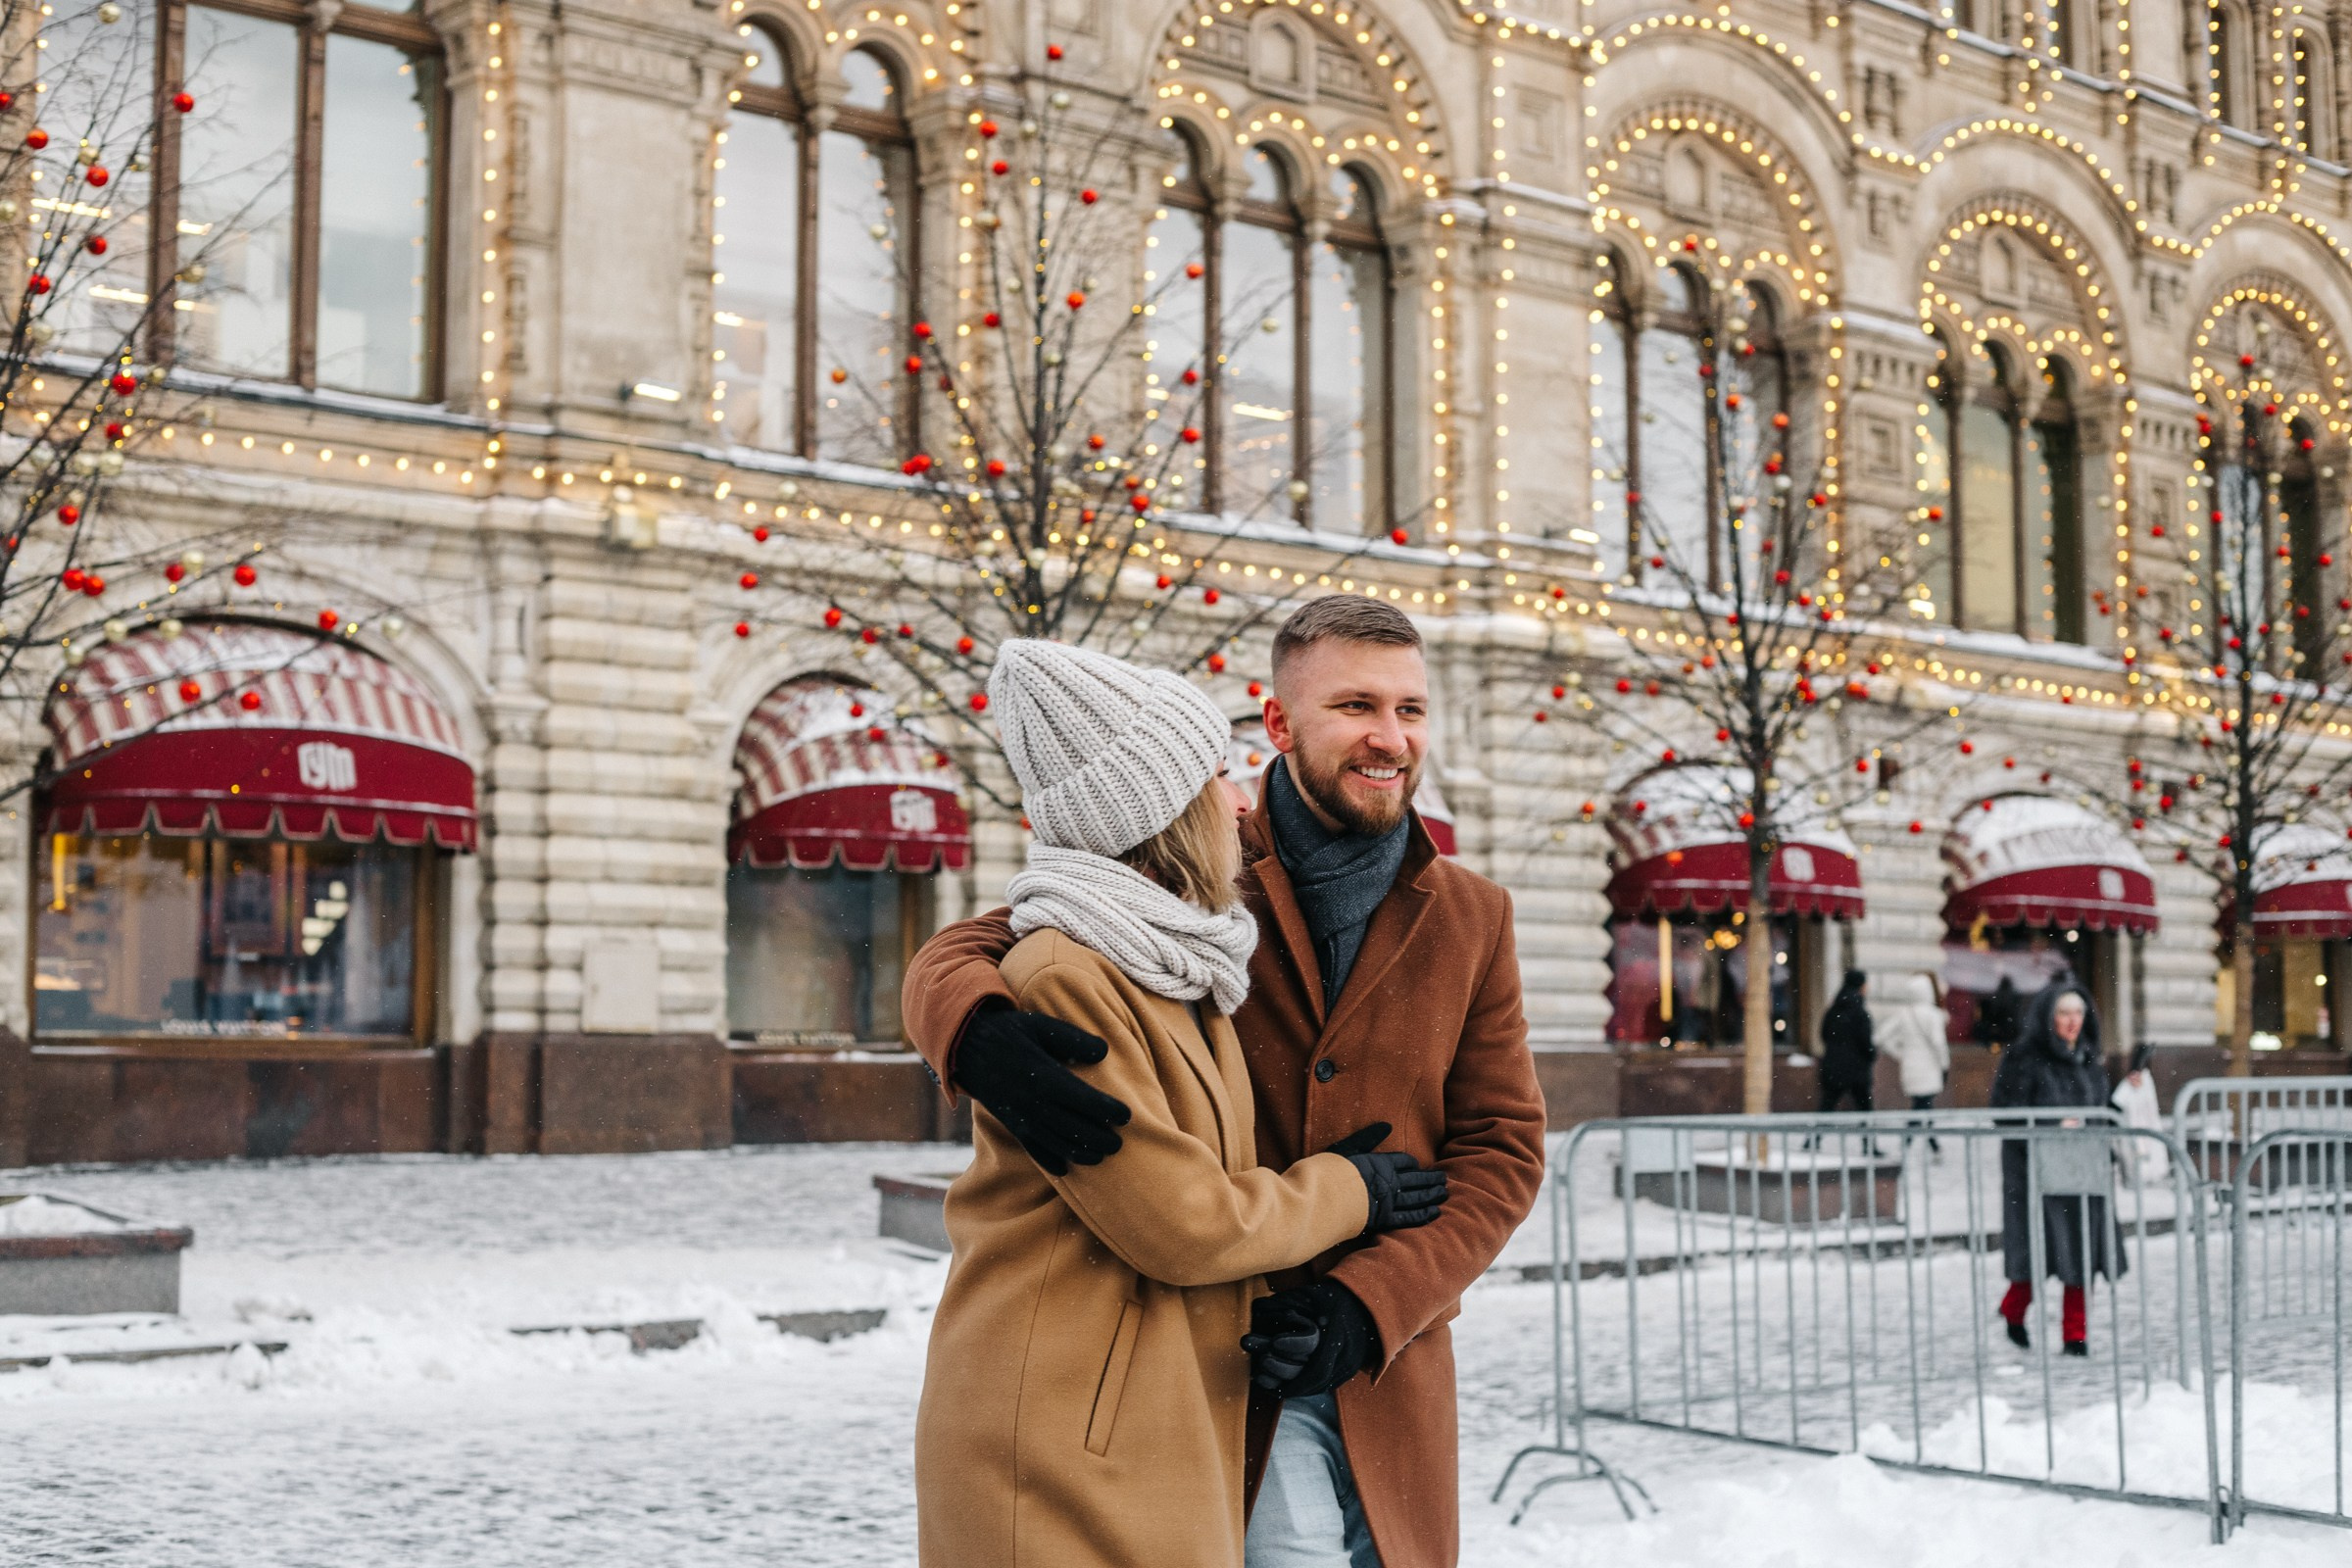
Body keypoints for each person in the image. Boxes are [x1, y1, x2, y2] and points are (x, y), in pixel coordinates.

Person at [904, 597, 1547, 1568]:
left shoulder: (1473, 914)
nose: (1389, 736)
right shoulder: (1198, 862)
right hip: (1219, 1356)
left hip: (1386, 1362)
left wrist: (1371, 1303)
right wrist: (969, 1021)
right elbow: (1025, 924)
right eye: (1357, 706)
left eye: (1411, 710)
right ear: (1278, 727)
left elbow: (1500, 1152)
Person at [1988, 980, 2123, 1356]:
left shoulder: (2089, 1059)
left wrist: (2126, 1093)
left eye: (2078, 1013)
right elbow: (2004, 1113)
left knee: (2081, 1251)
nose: (2072, 1021)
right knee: (2038, 1252)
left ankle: (2075, 1336)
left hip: (2082, 1172)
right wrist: (2049, 1127)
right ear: (2048, 1017)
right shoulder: (2024, 1058)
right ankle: (2013, 1311)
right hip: (2036, 1174)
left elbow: (2104, 1110)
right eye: (2064, 1013)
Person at [1876, 971, 1952, 1153]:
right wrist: (1944, 1064)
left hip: (1909, 1068)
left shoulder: (1904, 1014)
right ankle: (1913, 1141)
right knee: (1922, 1106)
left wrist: (1900, 1053)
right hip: (1929, 1068)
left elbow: (1880, 1037)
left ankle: (1928, 1144)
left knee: (1922, 1105)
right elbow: (1939, 1044)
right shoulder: (1933, 1015)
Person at [1816, 969, 1876, 1115]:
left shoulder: (1833, 1011)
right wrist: (1872, 1054)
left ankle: (1813, 1138)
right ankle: (1868, 1138)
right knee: (1865, 1112)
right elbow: (1865, 1041)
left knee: (1826, 1107)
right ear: (1861, 986)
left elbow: (1824, 1035)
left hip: (1834, 1068)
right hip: (1857, 1070)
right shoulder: (1860, 1013)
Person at [2109, 1042, 2170, 1184]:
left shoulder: (2144, 1080)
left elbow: (2116, 1103)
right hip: (2137, 1125)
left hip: (2141, 1124)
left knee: (2142, 1150)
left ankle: (2145, 1175)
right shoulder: (2138, 1081)